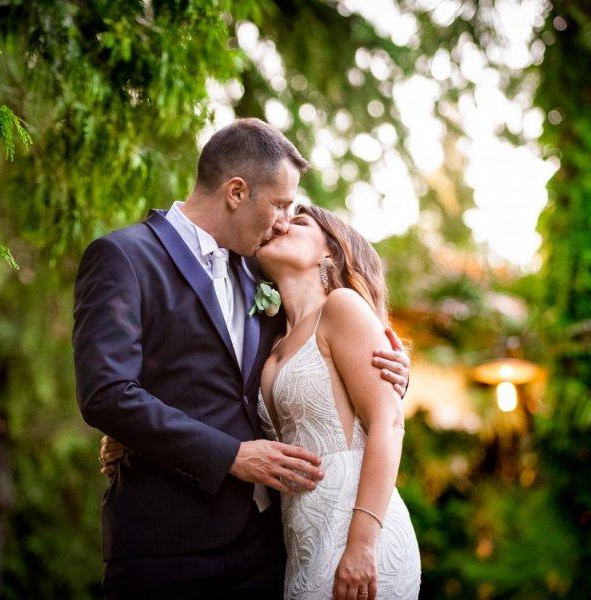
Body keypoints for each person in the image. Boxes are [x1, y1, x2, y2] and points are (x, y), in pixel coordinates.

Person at [73, 118, 410, 599]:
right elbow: (106, 393)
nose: (282, 221)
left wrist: (396, 372)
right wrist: (227, 455)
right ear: (235, 191)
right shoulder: (124, 257)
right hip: (165, 547)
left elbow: (326, 362)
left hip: (268, 549)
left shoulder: (262, 277)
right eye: (279, 205)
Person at [255, 203, 421, 599]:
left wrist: (362, 544)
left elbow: (389, 421)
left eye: (298, 222)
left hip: (360, 535)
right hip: (302, 541)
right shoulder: (269, 340)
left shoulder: (341, 306)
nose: (281, 225)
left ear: (329, 250)